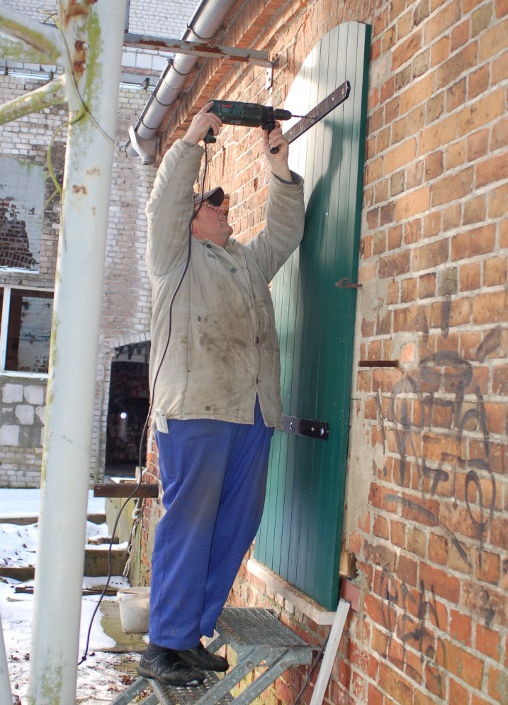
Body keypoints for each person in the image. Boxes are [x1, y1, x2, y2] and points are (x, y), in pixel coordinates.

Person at [139, 102, 305, 686]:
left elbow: (284, 234)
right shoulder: (174, 257)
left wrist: (279, 170)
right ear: (190, 220)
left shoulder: (242, 262)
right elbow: (163, 204)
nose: (223, 206)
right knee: (190, 522)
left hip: (251, 410)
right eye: (212, 204)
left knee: (237, 520)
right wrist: (189, 141)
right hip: (198, 409)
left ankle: (188, 635)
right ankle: (163, 643)